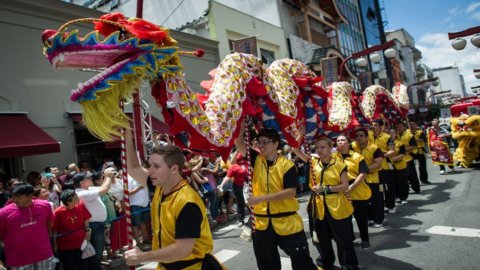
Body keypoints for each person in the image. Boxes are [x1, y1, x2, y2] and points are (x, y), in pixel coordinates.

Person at [124, 130, 224, 269]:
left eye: (156, 166)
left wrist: (143, 257)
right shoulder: (159, 186)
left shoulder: (188, 202)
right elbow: (134, 168)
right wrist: (127, 135)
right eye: (150, 165)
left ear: (174, 169)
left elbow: (182, 249)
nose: (150, 170)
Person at [236, 127, 317, 270]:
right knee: (267, 265)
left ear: (275, 144)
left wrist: (261, 199)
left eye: (264, 142)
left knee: (302, 263)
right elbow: (238, 143)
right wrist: (242, 122)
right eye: (258, 143)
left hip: (287, 222)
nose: (260, 146)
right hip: (262, 224)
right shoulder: (256, 159)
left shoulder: (287, 165)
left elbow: (290, 192)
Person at [293, 137, 358, 270]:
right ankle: (325, 263)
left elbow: (345, 186)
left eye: (323, 147)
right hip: (318, 206)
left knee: (343, 240)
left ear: (330, 148)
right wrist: (300, 133)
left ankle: (349, 266)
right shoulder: (313, 162)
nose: (319, 150)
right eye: (317, 147)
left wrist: (326, 188)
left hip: (337, 205)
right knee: (321, 239)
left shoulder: (339, 163)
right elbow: (295, 149)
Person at [0, 184, 55, 269]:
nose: (14, 200)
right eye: (13, 197)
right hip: (18, 260)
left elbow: (49, 223)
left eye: (18, 197)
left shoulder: (45, 205)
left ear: (30, 196)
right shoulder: (3, 213)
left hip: (44, 256)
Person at [334, 134, 371, 248]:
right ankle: (350, 239)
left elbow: (363, 173)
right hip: (341, 191)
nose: (340, 142)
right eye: (338, 140)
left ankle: (365, 239)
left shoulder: (357, 156)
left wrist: (351, 187)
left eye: (342, 140)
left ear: (348, 143)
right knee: (345, 219)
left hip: (357, 190)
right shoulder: (333, 157)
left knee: (361, 218)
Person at [74, 170, 113, 268]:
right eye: (88, 178)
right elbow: (104, 190)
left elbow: (104, 187)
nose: (91, 178)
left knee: (98, 251)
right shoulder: (81, 193)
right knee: (95, 252)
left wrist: (106, 176)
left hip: (97, 225)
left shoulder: (88, 189)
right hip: (93, 226)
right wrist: (108, 176)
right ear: (81, 183)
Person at [352, 129, 384, 228]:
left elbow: (378, 163)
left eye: (361, 136)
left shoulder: (374, 148)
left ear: (366, 137)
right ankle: (369, 218)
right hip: (359, 179)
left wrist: (365, 171)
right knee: (364, 200)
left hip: (373, 178)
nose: (359, 138)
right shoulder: (353, 147)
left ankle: (378, 220)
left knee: (376, 200)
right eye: (357, 136)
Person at [53, 190, 92, 270]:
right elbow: (54, 230)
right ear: (68, 201)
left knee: (83, 265)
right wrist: (55, 244)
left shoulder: (80, 205)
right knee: (70, 266)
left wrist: (87, 231)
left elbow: (86, 219)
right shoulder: (58, 212)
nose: (78, 198)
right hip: (65, 246)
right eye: (76, 197)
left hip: (81, 243)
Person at [219, 152, 247, 226]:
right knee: (241, 203)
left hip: (248, 185)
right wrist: (221, 185)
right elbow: (227, 177)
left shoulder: (247, 163)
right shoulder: (233, 166)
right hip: (238, 187)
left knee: (248, 202)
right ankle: (241, 219)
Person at [385, 128, 409, 205]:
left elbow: (402, 155)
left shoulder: (400, 143)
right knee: (393, 183)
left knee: (402, 182)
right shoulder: (385, 143)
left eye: (393, 132)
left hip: (400, 165)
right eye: (389, 132)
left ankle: (403, 197)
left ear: (396, 134)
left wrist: (392, 160)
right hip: (389, 166)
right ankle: (396, 196)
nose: (391, 134)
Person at [396, 121, 420, 194]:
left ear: (404, 127)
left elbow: (413, 146)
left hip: (408, 158)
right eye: (397, 127)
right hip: (399, 159)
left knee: (412, 175)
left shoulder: (409, 135)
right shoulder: (395, 135)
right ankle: (405, 190)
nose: (399, 128)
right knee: (402, 177)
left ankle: (416, 188)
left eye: (400, 127)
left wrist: (402, 150)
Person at [128, 174, 151, 249]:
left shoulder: (142, 175)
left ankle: (145, 239)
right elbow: (127, 192)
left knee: (143, 222)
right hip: (135, 204)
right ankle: (138, 242)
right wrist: (139, 188)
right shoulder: (127, 178)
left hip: (145, 203)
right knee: (135, 224)